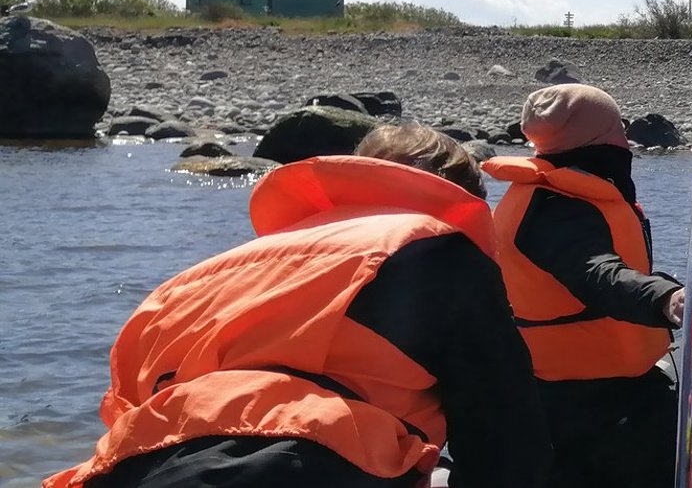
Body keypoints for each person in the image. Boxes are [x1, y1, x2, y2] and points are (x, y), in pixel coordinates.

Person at [46, 124, 550, 488]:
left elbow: (124, 409)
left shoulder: (196, 277)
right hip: (312, 468)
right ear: (462, 199)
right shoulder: (442, 251)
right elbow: (505, 436)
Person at [482, 83, 683, 488]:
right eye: (618, 128)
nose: (625, 140)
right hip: (586, 403)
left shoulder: (555, 193)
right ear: (599, 137)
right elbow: (598, 275)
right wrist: (665, 298)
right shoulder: (556, 209)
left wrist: (663, 286)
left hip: (584, 387)